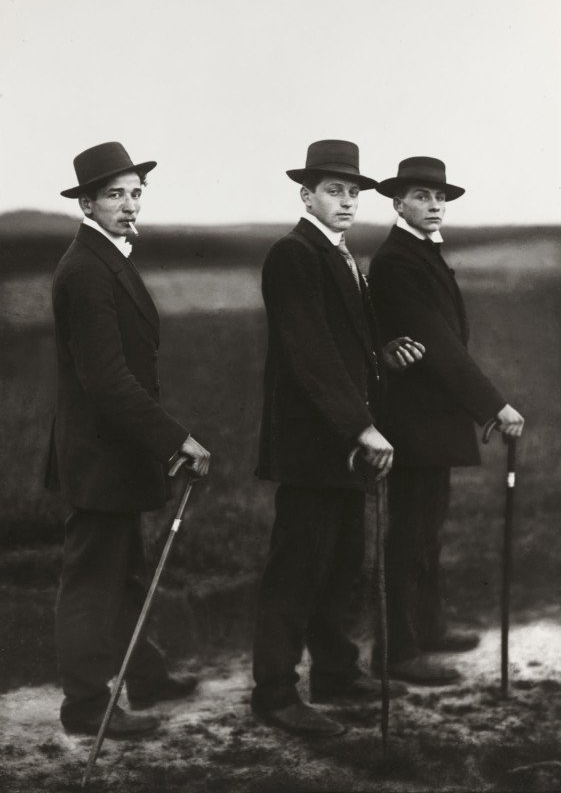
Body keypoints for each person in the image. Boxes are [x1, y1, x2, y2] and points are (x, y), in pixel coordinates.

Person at [252, 140, 425, 737]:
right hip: (312, 445)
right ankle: (274, 693)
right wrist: (361, 425)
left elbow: (346, 346)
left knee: (343, 562)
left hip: (344, 444)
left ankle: (335, 672)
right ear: (307, 195)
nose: (347, 200)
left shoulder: (342, 255)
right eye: (334, 190)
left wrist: (383, 354)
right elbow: (311, 353)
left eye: (353, 191)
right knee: (296, 567)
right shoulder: (293, 254)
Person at [45, 141, 211, 738]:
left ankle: (145, 676)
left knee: (127, 571)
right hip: (99, 456)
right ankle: (86, 709)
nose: (129, 204)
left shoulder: (107, 256)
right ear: (87, 202)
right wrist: (175, 440)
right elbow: (107, 378)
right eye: (115, 194)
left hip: (115, 453)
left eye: (136, 192)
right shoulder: (87, 268)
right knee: (92, 581)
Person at [368, 156, 524, 685]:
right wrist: (493, 405)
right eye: (421, 196)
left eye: (440, 198)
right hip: (413, 420)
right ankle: (397, 650)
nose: (434, 205)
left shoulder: (420, 253)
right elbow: (436, 343)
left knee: (427, 530)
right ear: (398, 203)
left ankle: (428, 628)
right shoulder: (397, 261)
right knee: (409, 533)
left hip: (433, 418)